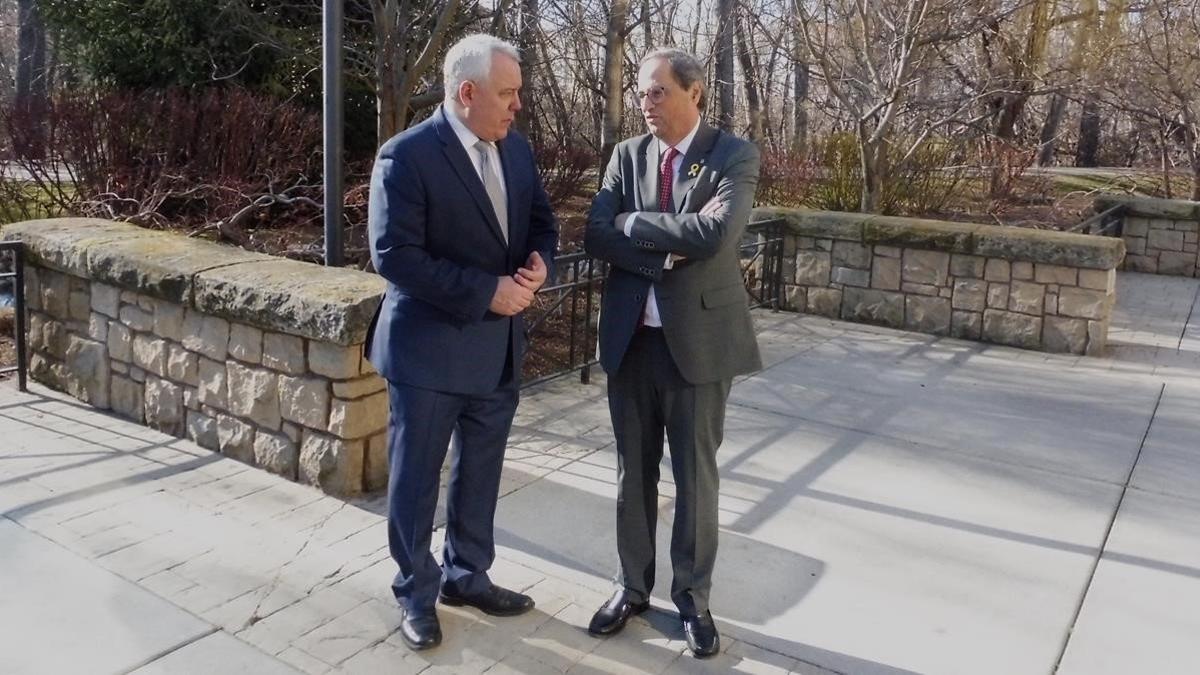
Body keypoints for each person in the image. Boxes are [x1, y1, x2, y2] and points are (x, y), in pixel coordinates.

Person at [365, 33, 558, 651]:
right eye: (508, 93)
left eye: (519, 93)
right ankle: (416, 593)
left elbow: (542, 224)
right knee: (417, 482)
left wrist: (538, 265)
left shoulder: (517, 150)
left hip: (498, 351)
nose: (517, 105)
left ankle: (467, 577)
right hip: (428, 354)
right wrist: (486, 292)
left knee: (480, 472)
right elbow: (394, 255)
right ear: (466, 92)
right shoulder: (407, 156)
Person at [582, 48, 762, 659]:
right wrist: (655, 239)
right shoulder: (626, 155)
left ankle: (693, 599)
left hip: (698, 345)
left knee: (694, 478)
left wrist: (633, 223)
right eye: (641, 92)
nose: (645, 102)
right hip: (631, 342)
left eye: (657, 91)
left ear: (694, 93)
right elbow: (595, 232)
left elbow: (717, 235)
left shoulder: (732, 155)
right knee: (634, 473)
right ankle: (631, 588)